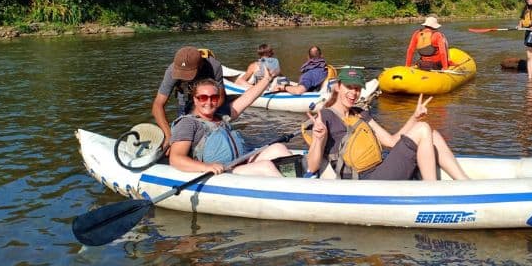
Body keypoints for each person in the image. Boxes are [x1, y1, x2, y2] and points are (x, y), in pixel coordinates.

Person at [305, 67, 469, 181]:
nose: (353, 93)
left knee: (431, 133)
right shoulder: (325, 117)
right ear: (338, 87)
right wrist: (319, 138)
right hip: (363, 181)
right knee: (423, 129)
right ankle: (431, 192)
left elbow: (391, 142)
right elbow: (312, 167)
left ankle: (465, 182)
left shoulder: (360, 113)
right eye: (349, 87)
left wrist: (415, 117)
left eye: (357, 88)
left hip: (380, 170)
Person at [169, 75, 292, 176]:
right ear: (195, 100)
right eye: (203, 98)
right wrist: (206, 167)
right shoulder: (188, 123)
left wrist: (267, 79)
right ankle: (293, 194)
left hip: (241, 162)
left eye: (214, 97)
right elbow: (176, 158)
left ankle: (299, 180)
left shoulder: (222, 117)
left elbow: (247, 98)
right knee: (266, 166)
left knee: (278, 148)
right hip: (223, 172)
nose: (209, 102)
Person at [152, 46, 224, 149]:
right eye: (181, 74)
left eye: (188, 74)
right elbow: (158, 105)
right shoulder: (171, 71)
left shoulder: (214, 66)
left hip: (209, 101)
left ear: (200, 65)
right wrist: (169, 135)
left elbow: (221, 97)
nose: (183, 77)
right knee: (183, 131)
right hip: (185, 98)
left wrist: (204, 114)